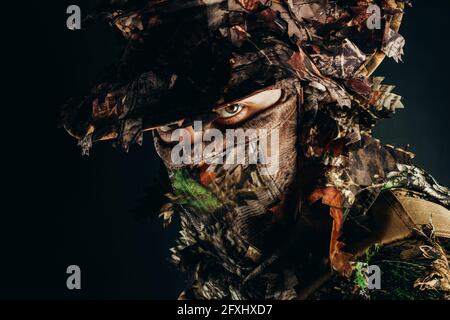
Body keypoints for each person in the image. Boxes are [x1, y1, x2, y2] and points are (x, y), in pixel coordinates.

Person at [62, 0, 450, 300]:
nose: (198, 155)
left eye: (232, 110)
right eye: (169, 128)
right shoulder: (221, 269)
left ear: (308, 106)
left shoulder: (407, 257)